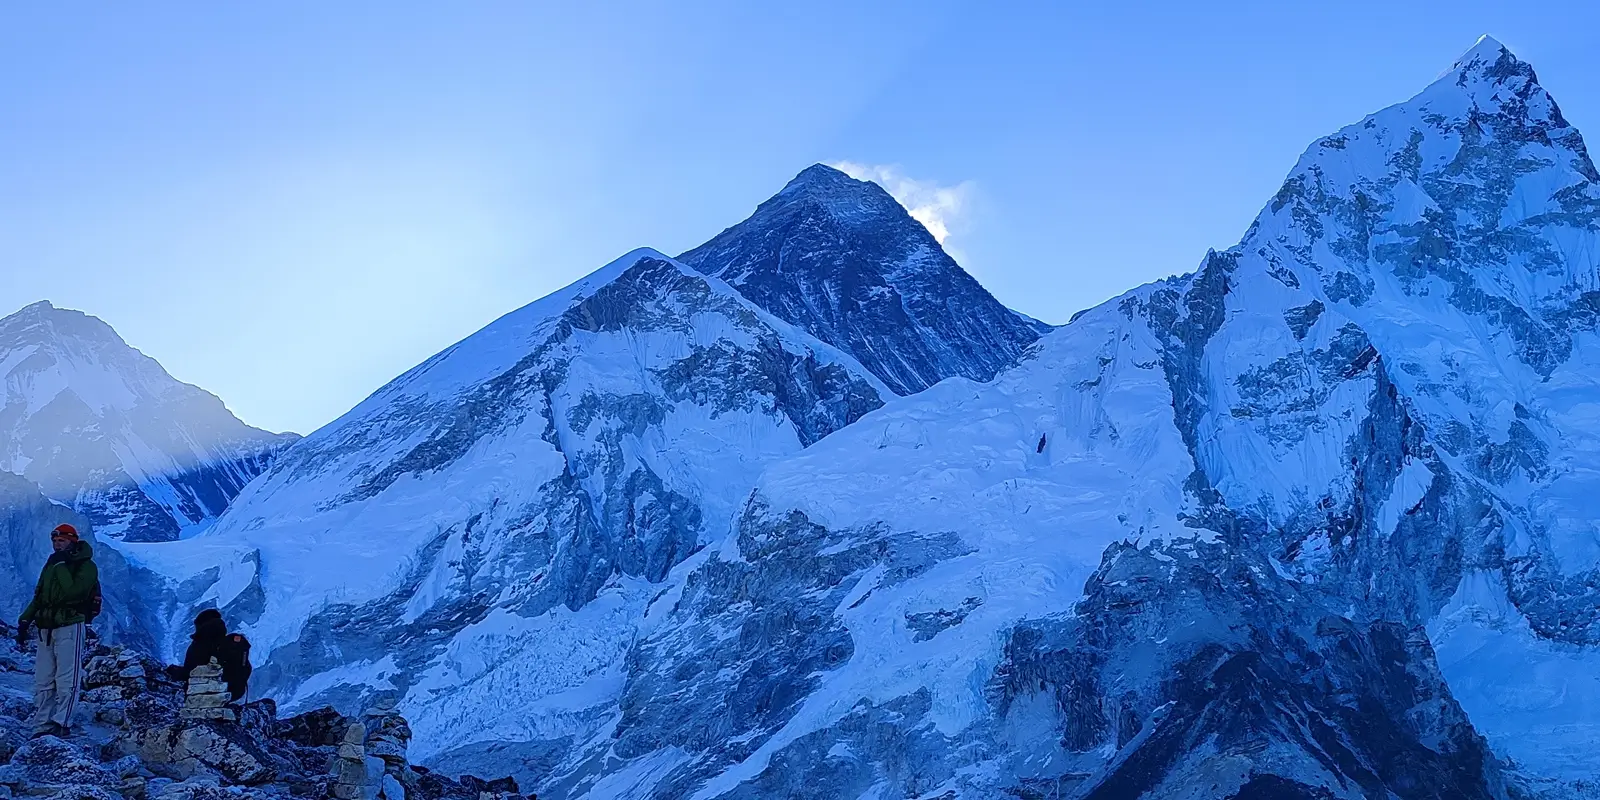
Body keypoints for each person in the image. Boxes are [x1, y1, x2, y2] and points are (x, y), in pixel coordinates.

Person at [14, 523, 99, 738]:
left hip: (71, 625)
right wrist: (25, 619)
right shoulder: (53, 563)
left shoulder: (86, 566)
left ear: (72, 541)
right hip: (46, 627)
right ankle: (42, 724)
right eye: (54, 540)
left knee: (67, 678)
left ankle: (63, 723)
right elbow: (40, 596)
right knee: (43, 678)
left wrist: (60, 565)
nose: (57, 544)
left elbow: (73, 593)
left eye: (62, 540)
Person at [166, 608, 252, 702]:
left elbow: (193, 672)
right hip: (234, 692)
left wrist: (175, 672)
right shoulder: (226, 643)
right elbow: (247, 669)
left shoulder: (201, 644)